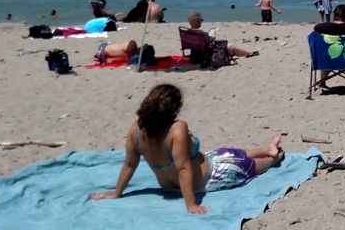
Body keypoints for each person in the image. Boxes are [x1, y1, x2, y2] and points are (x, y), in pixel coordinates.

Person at [90, 83, 285, 214]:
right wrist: (191, 204)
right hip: (207, 179)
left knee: (228, 152)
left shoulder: (137, 129)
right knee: (245, 165)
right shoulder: (177, 129)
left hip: (174, 183)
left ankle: (266, 148)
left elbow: (129, 164)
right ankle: (272, 158)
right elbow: (183, 169)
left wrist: (116, 193)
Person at [187, 12, 257, 60]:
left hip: (194, 56)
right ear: (198, 21)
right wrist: (212, 38)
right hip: (204, 57)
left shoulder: (187, 32)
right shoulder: (202, 33)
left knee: (229, 45)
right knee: (231, 46)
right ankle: (249, 53)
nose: (202, 21)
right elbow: (209, 46)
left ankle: (248, 53)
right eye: (201, 20)